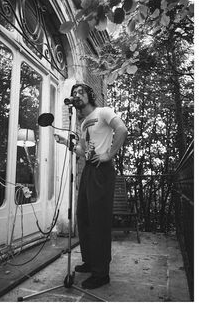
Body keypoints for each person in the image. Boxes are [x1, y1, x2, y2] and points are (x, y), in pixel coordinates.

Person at [54, 83, 127, 289]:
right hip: (88, 169)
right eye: (74, 93)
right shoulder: (84, 121)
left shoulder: (103, 112)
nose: (77, 95)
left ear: (89, 95)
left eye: (80, 92)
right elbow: (84, 151)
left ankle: (101, 273)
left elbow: (121, 129)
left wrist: (108, 155)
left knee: (99, 220)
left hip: (102, 171)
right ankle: (90, 262)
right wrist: (66, 143)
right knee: (84, 217)